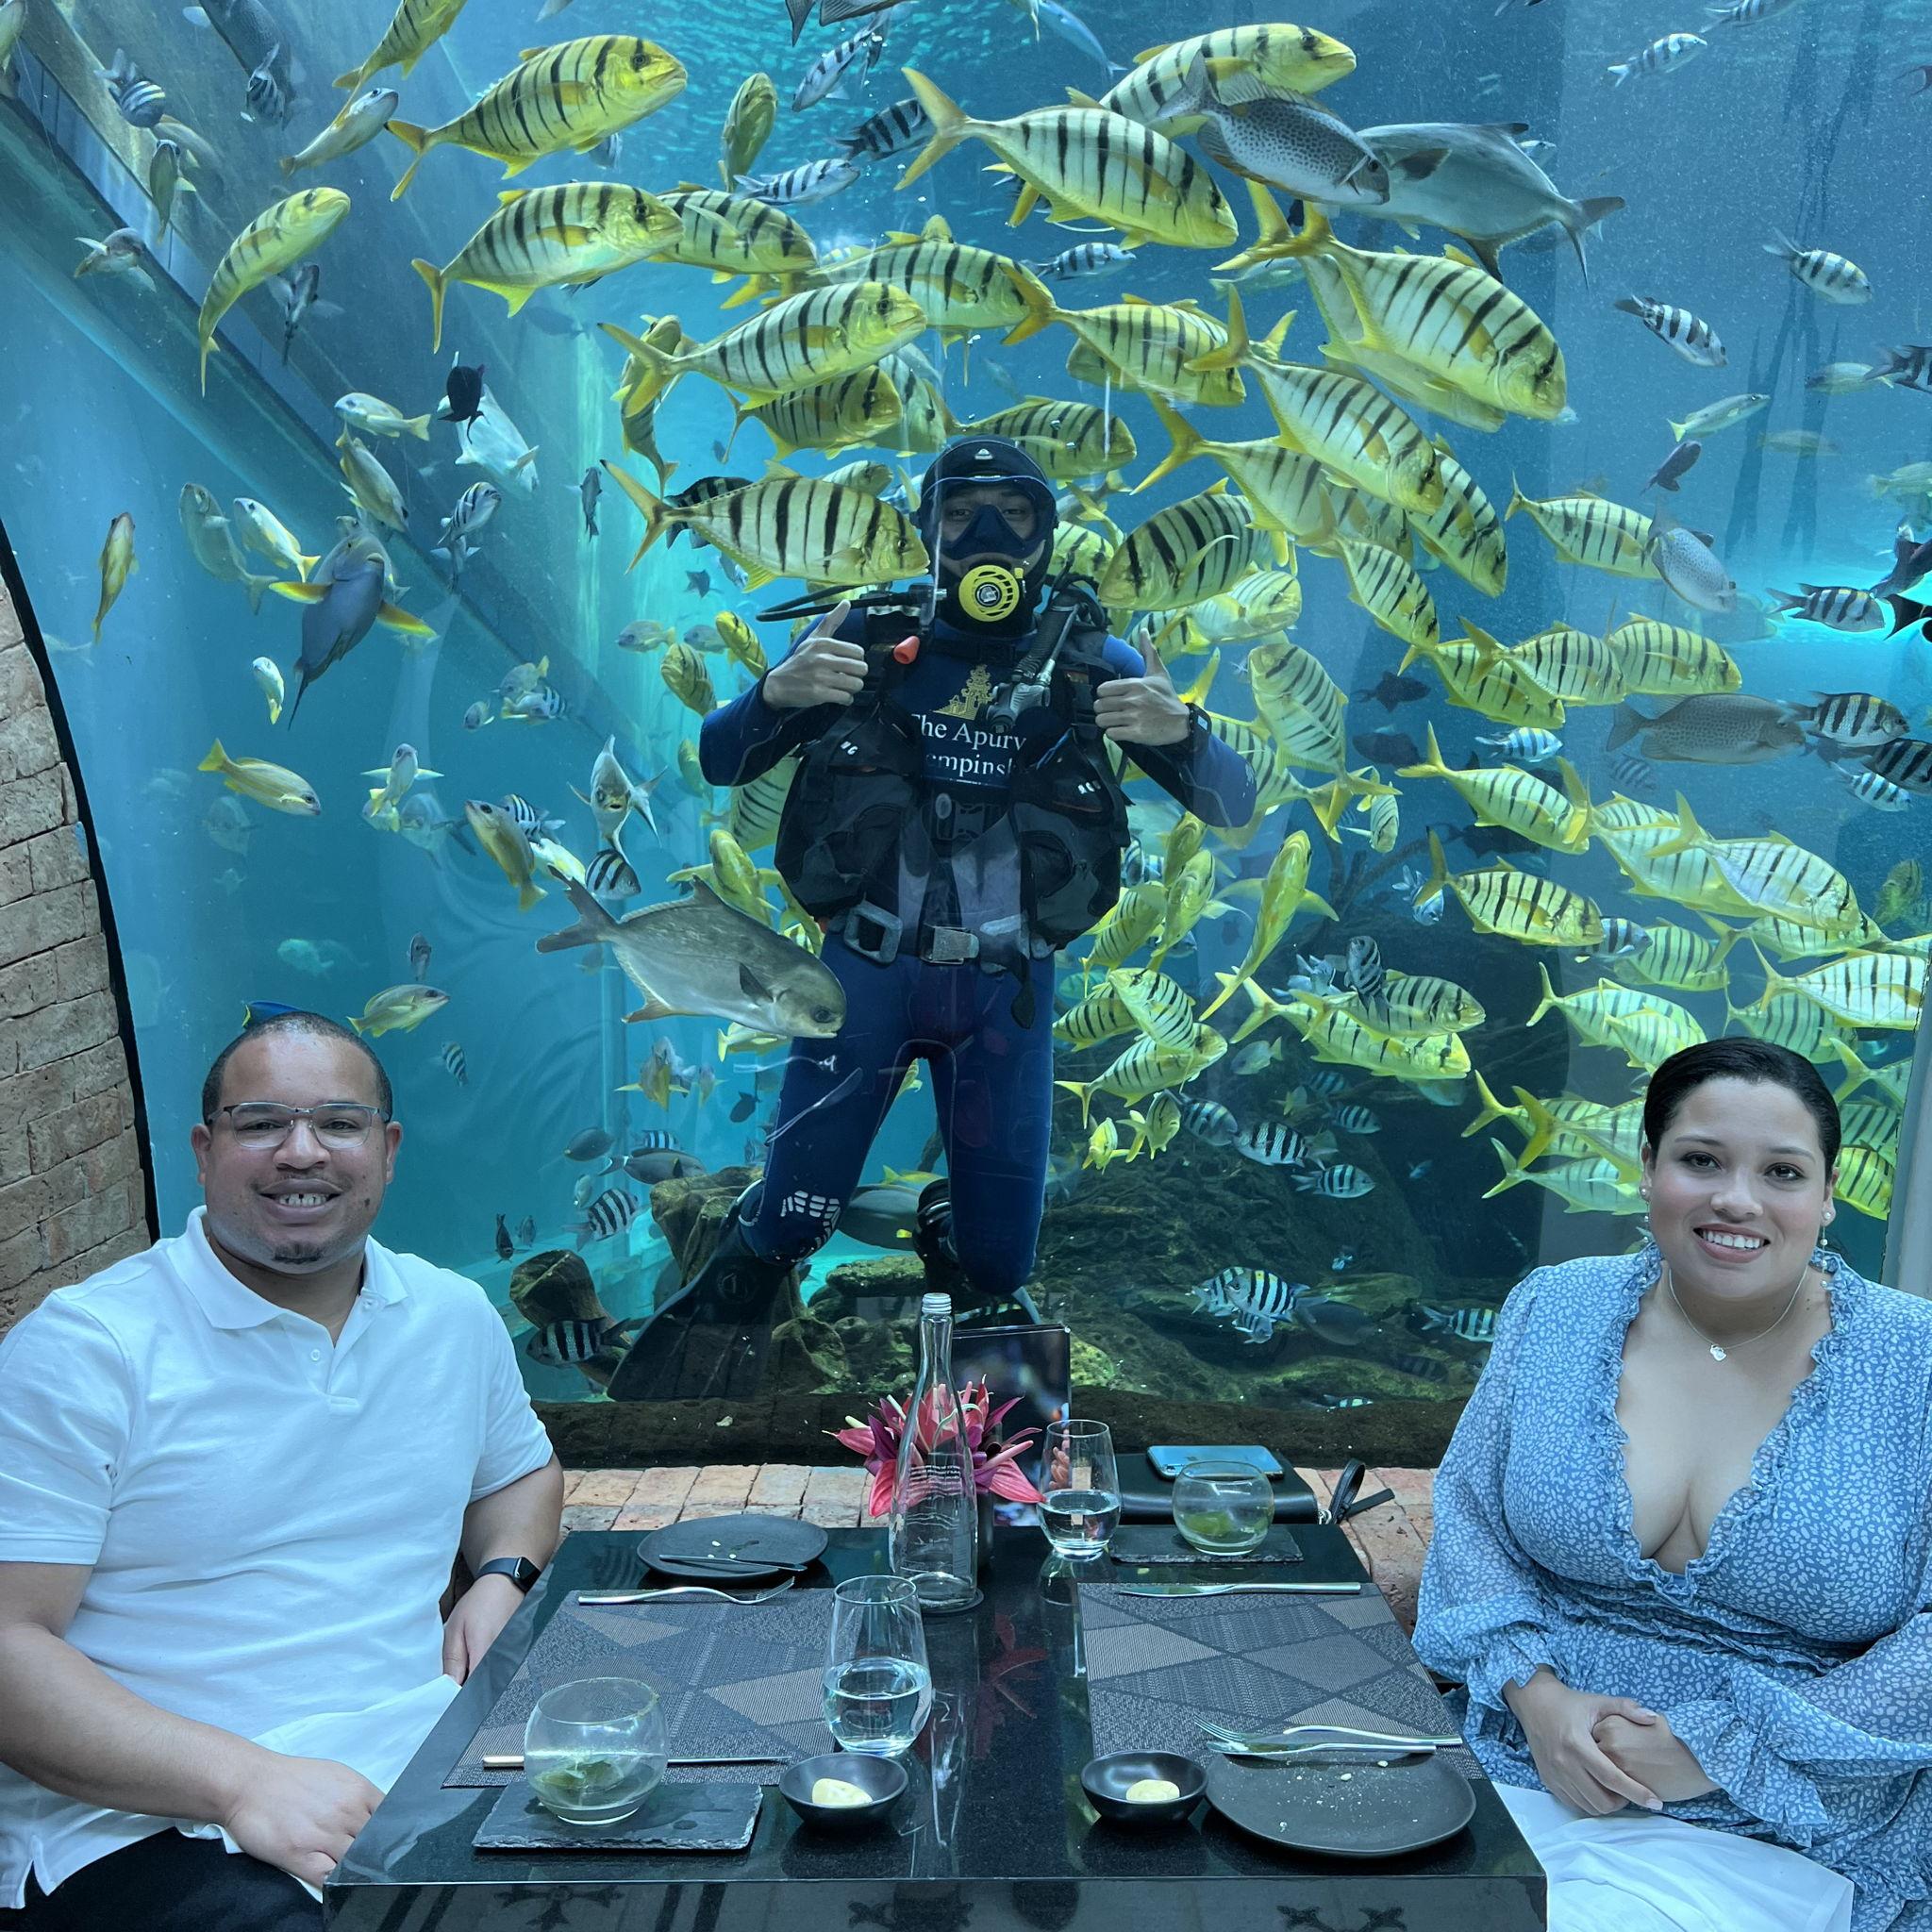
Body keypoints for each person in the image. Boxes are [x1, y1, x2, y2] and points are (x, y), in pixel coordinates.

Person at [608, 435, 1257, 1399]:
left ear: (1046, 533)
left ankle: (961, 1322)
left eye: (1015, 514)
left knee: (999, 1263)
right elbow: (721, 757)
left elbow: (1233, 804)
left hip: (1006, 991)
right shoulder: (865, 638)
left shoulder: (1092, 661)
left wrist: (1184, 730)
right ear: (925, 529)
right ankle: (721, 1326)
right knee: (790, 1220)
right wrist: (775, 692)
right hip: (859, 977)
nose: (987, 535)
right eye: (960, 513)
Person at [0, 1010, 563, 1928]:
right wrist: (241, 1780)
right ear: (204, 1150)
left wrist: (502, 1575)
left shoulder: (451, 1316)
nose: (302, 1151)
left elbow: (520, 1475)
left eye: (338, 1123)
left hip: (421, 1761)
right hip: (147, 1822)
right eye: (261, 1122)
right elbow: (8, 1645)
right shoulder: (87, 1350)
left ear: (387, 1151)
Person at [1412, 1038, 1932, 1932]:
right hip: (1524, 1760)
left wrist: (1712, 1749)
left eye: (1782, 1172)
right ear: (1649, 1166)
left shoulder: (1915, 1361)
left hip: (1791, 1818)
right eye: (1701, 1161)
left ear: (1829, 1192)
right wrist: (1536, 1698)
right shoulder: (1556, 1306)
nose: (1738, 1200)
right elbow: (1470, 1518)